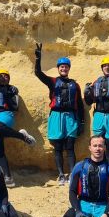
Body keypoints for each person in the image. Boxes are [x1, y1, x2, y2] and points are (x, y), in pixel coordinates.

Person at [34, 43, 84, 185]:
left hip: (70, 117)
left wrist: (81, 122)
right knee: (58, 147)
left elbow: (79, 105)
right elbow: (39, 74)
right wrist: (38, 59)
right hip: (56, 116)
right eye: (61, 66)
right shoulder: (53, 81)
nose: (64, 68)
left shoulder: (75, 84)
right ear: (58, 68)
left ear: (69, 69)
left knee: (70, 147)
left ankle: (73, 174)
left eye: (66, 66)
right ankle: (61, 174)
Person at [0, 69, 36, 187]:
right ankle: (8, 177)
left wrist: (7, 93)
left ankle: (22, 136)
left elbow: (14, 106)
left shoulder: (11, 89)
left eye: (6, 76)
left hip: (4, 114)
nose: (3, 78)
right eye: (0, 76)